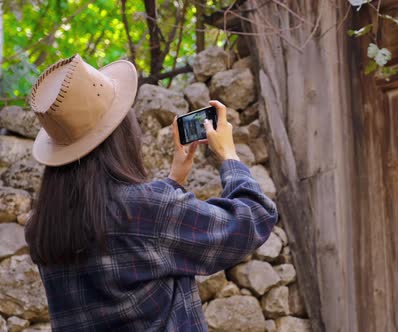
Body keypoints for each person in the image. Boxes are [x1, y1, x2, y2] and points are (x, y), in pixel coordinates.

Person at [24, 54, 278, 331]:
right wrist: (228, 154)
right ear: (120, 135)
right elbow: (254, 218)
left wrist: (174, 180)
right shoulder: (146, 209)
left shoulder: (42, 228)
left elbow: (135, 246)